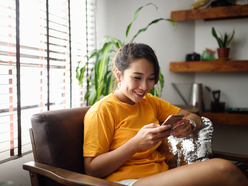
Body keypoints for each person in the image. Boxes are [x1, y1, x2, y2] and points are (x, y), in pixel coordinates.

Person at [83, 43, 248, 186]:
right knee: (224, 169)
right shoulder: (101, 111)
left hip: (161, 175)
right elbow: (92, 169)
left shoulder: (150, 102)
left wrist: (189, 124)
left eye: (150, 79)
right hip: (127, 181)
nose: (144, 87)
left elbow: (194, 116)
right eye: (137, 78)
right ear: (118, 74)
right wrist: (135, 144)